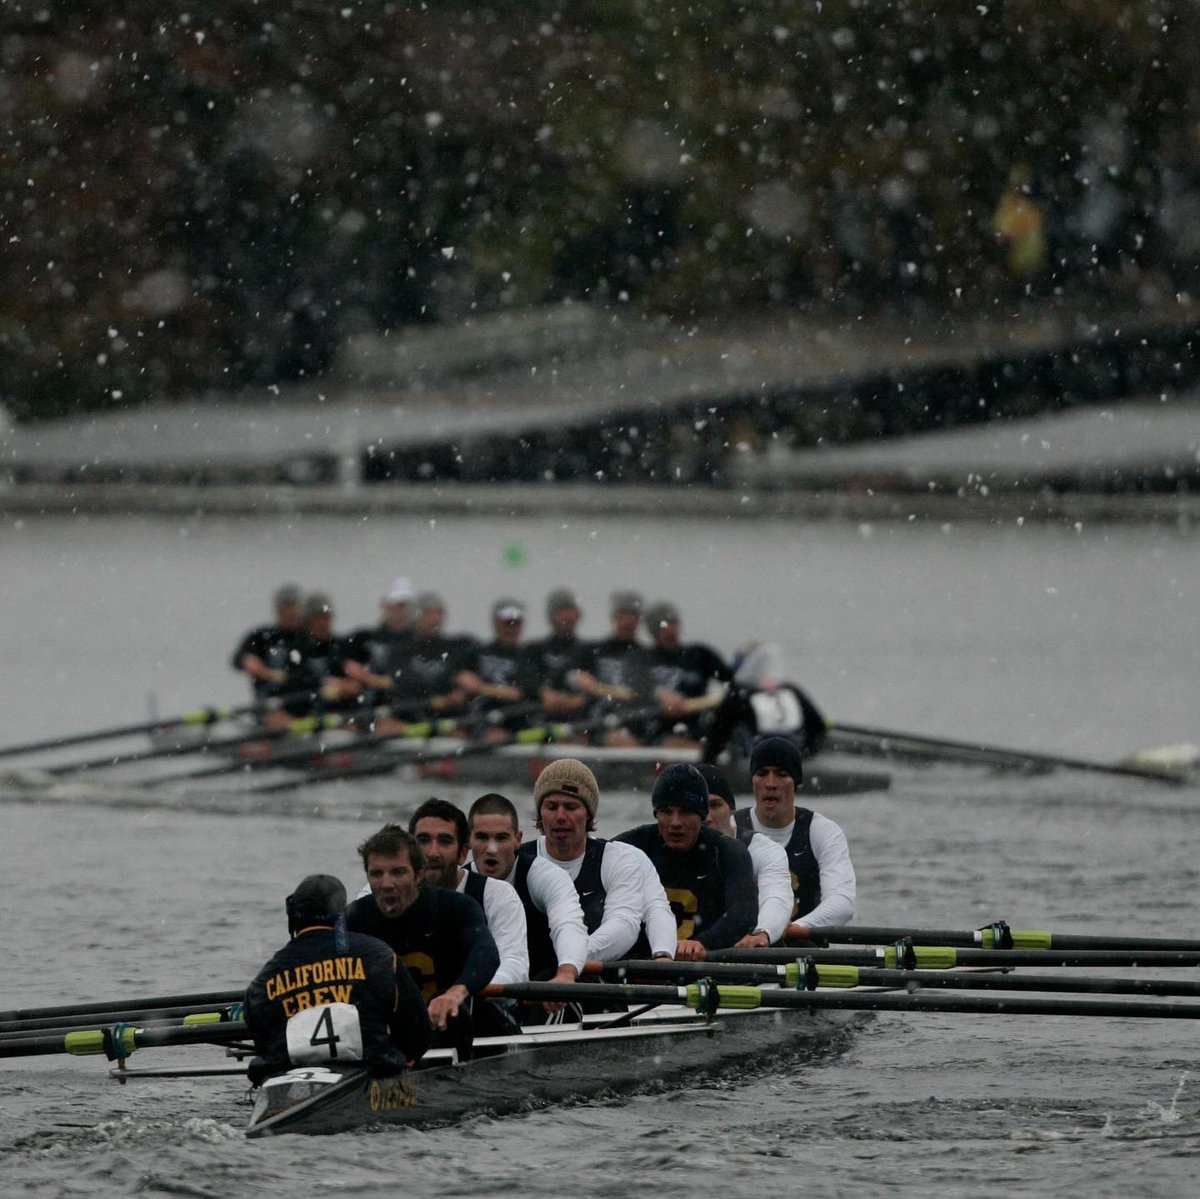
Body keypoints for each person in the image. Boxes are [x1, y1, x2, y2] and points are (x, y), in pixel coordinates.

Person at [243, 873, 431, 1085]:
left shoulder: (266, 976)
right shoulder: (379, 954)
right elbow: (419, 1033)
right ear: (341, 915)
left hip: (289, 1078)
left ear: (293, 918)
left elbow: (261, 1037)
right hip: (371, 1071)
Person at [344, 824, 499, 1059]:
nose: (386, 884)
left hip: (444, 1026)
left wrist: (455, 993)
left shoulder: (456, 907)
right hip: (383, 1034)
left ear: (419, 875)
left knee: (454, 1014)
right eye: (377, 874)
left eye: (398, 872)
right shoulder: (351, 919)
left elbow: (486, 953)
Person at [523, 758, 676, 962]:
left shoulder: (618, 859)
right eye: (551, 807)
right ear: (540, 813)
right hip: (531, 979)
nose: (560, 816)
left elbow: (624, 925)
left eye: (570, 807)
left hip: (594, 980)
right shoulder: (517, 860)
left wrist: (569, 963)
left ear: (588, 814)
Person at [614, 763, 757, 960]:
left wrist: (703, 943)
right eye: (666, 812)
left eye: (685, 812)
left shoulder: (728, 851)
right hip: (644, 965)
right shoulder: (628, 847)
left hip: (705, 967)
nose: (675, 823)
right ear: (656, 814)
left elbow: (743, 914)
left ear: (702, 816)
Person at [732, 736, 856, 941]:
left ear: (796, 784)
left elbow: (842, 904)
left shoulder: (822, 832)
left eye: (781, 775)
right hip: (741, 952)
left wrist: (791, 928)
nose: (770, 784)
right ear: (752, 781)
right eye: (762, 774)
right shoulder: (732, 828)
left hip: (803, 951)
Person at [467, 791, 589, 999]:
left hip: (540, 995)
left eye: (501, 838)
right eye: (482, 837)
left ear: (518, 839)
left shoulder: (544, 875)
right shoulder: (459, 884)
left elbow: (568, 924)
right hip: (476, 997)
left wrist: (566, 973)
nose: (492, 849)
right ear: (468, 840)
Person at [697, 762, 793, 949]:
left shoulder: (764, 851)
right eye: (698, 808)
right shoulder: (658, 847)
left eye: (715, 805)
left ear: (732, 809)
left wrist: (763, 932)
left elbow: (776, 896)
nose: (707, 817)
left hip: (743, 951)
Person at [370, 592, 473, 735]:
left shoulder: (458, 647)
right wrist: (438, 698)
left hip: (446, 718)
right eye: (428, 613)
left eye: (438, 612)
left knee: (461, 732)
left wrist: (465, 689)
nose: (434, 618)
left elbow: (470, 680)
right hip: (408, 717)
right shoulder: (400, 650)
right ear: (416, 617)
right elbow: (403, 684)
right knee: (383, 727)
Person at [573, 591, 657, 745]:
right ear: (615, 617)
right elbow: (568, 676)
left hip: (635, 721)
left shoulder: (647, 656)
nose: (628, 620)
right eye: (624, 613)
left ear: (640, 619)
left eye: (633, 615)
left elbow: (648, 692)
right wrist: (577, 679)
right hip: (598, 721)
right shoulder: (592, 650)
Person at [643, 601, 732, 745]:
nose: (671, 629)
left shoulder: (699, 655)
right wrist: (659, 694)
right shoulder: (642, 658)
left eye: (674, 623)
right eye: (664, 626)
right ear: (653, 631)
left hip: (697, 726)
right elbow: (635, 687)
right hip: (658, 729)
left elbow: (730, 680)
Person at [456, 599, 540, 738]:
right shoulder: (477, 652)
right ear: (496, 623)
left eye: (516, 623)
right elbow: (455, 673)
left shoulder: (529, 656)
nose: (512, 628)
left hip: (518, 719)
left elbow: (526, 692)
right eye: (507, 623)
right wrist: (460, 678)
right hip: (483, 717)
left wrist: (481, 688)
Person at [341, 576, 417, 715]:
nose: (402, 611)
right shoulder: (363, 638)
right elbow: (334, 656)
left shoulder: (420, 642)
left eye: (405, 605)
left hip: (406, 710)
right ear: (384, 606)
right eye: (397, 605)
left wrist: (367, 679)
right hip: (370, 709)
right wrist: (346, 669)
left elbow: (408, 679)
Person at [230, 583, 309, 709]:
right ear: (278, 611)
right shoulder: (262, 636)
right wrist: (248, 661)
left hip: (304, 703)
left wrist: (273, 674)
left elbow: (309, 675)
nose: (290, 613)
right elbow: (237, 659)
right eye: (285, 609)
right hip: (268, 703)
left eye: (294, 608)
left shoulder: (310, 638)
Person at [526, 588, 590, 720]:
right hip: (540, 718)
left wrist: (575, 701)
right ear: (551, 617)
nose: (567, 616)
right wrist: (544, 693)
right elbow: (525, 680)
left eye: (570, 611)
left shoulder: (589, 651)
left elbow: (595, 688)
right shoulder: (534, 650)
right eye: (561, 611)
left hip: (577, 721)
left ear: (578, 615)